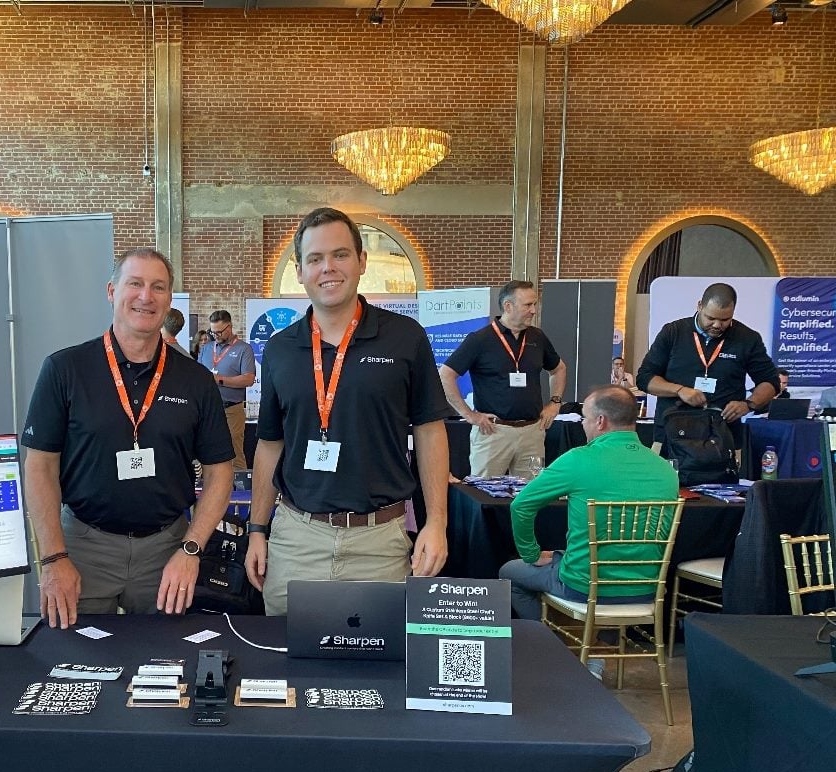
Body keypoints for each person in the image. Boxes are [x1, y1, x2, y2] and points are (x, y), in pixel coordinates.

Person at [245, 207, 452, 616]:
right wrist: (256, 529)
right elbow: (270, 444)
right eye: (315, 259)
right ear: (300, 271)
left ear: (361, 262)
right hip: (297, 540)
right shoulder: (281, 349)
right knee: (289, 665)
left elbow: (430, 431)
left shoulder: (404, 338)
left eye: (340, 255)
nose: (328, 268)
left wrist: (437, 524)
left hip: (379, 543)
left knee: (377, 669)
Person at [21, 247, 235, 627]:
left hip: (166, 549)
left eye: (158, 287)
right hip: (84, 547)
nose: (145, 296)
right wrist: (53, 559)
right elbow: (39, 467)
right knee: (73, 664)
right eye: (135, 284)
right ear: (111, 290)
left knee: (166, 665)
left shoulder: (195, 380)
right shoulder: (65, 369)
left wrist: (191, 549)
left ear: (169, 299)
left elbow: (221, 470)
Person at [500, 386, 679, 621]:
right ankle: (606, 645)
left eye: (585, 418)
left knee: (508, 572)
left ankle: (550, 642)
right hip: (647, 589)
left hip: (584, 587)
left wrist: (531, 554)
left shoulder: (578, 459)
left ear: (601, 421)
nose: (583, 424)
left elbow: (521, 506)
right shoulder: (665, 468)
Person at [438, 281, 567, 477]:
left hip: (532, 431)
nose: (534, 310)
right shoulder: (480, 339)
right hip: (493, 433)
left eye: (535, 304)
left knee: (529, 497)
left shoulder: (537, 337)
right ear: (508, 306)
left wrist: (555, 402)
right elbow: (445, 375)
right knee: (485, 496)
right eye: (528, 305)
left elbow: (559, 369)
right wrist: (469, 415)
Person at [636, 281, 777, 446]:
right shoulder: (673, 332)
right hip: (673, 431)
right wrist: (679, 390)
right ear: (700, 306)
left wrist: (749, 404)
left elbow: (770, 382)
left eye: (725, 319)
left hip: (722, 434)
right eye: (710, 318)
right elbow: (645, 378)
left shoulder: (747, 338)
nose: (717, 325)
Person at [204, 309, 257, 469]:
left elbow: (248, 379)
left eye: (219, 332)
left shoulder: (243, 349)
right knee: (207, 450)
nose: (216, 336)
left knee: (234, 451)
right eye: (212, 332)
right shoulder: (207, 348)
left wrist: (219, 380)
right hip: (208, 410)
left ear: (230, 327)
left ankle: (241, 491)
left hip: (232, 409)